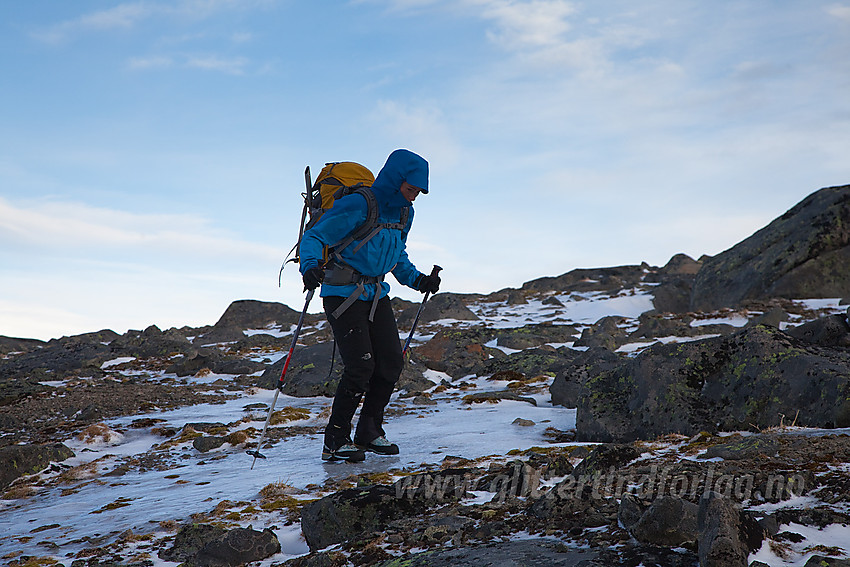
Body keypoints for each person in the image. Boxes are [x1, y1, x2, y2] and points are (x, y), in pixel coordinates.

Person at [298, 149, 441, 462]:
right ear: (396, 180)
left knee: (390, 363)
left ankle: (369, 431)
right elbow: (316, 236)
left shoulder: (404, 213)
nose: (414, 197)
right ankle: (335, 440)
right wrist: (309, 266)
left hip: (376, 293)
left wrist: (418, 281)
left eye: (417, 192)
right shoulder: (359, 204)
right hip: (341, 293)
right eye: (411, 189)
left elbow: (396, 255)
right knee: (361, 365)